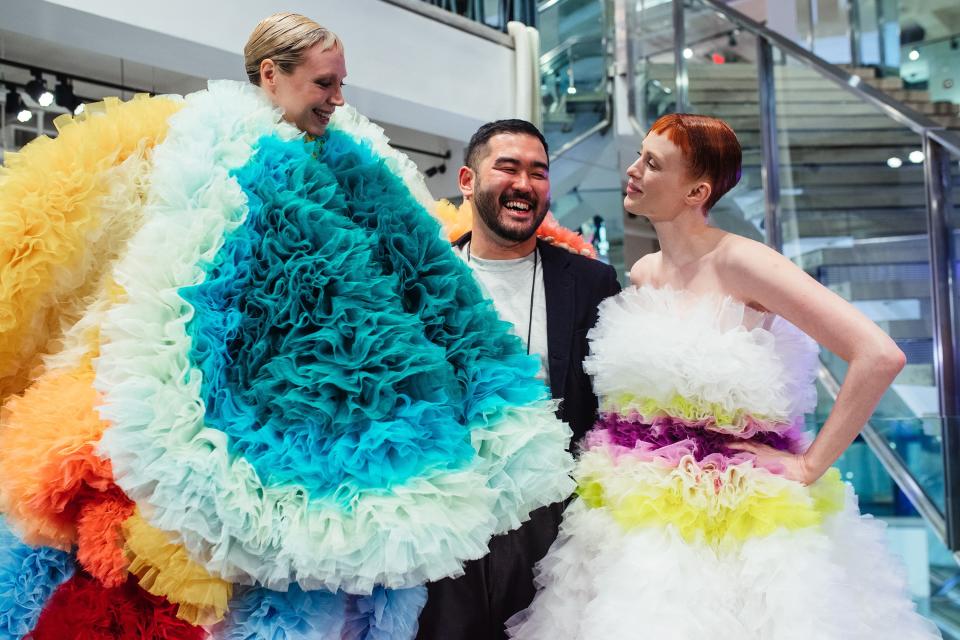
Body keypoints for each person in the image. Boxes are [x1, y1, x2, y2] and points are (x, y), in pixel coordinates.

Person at [0, 15, 577, 639]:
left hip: (354, 390)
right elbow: (188, 281)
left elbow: (414, 258)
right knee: (263, 564)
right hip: (254, 387)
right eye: (325, 83)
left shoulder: (353, 155)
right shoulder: (213, 150)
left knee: (350, 570)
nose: (338, 97)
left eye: (341, 83)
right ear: (271, 76)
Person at [505, 113, 942, 639]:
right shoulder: (644, 272)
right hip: (635, 510)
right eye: (640, 156)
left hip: (734, 510)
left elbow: (878, 354)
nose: (633, 170)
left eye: (652, 163)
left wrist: (809, 466)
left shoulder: (744, 262)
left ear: (697, 190)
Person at [417, 120, 621, 640]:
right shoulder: (421, 280)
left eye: (538, 172)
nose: (524, 184)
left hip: (550, 530)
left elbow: (609, 412)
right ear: (467, 180)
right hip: (443, 523)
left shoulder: (593, 283)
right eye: (507, 167)